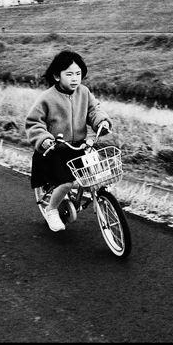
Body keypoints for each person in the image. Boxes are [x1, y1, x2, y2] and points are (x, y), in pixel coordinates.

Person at [25, 50, 111, 232]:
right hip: (54, 149)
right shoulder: (47, 98)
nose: (75, 78)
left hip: (78, 146)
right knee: (66, 183)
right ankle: (51, 210)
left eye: (78, 74)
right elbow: (34, 123)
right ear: (57, 76)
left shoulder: (84, 92)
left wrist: (101, 121)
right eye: (69, 74)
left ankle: (97, 199)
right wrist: (45, 139)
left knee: (99, 174)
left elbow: (93, 110)